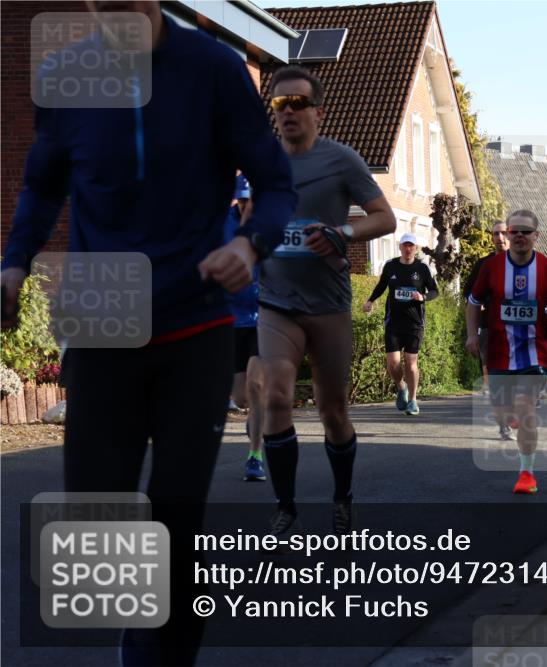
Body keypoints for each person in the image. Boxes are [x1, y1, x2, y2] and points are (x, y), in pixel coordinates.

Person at [1, 4, 296, 664]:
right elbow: (41, 186)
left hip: (195, 322)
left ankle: (154, 655)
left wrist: (250, 246)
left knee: (177, 512)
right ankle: (141, 627)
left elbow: (276, 186)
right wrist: (15, 260)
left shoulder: (215, 70)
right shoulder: (66, 77)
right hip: (106, 323)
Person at [257, 65, 396, 539]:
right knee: (275, 395)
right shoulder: (261, 161)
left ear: (319, 111)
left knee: (332, 411)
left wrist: (342, 233)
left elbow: (385, 219)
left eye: (298, 103)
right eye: (280, 103)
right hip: (276, 301)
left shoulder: (343, 160)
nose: (289, 111)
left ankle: (342, 498)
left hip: (329, 304)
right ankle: (286, 507)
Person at [465, 210, 547, 495]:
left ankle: (526, 473)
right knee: (503, 413)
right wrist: (472, 335)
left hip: (534, 351)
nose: (519, 236)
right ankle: (508, 415)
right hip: (499, 351)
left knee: (526, 410)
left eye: (526, 232)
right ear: (507, 234)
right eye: (514, 231)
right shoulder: (491, 268)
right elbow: (473, 302)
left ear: (536, 236)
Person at [363, 233, 439, 415]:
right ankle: (401, 387)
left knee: (411, 363)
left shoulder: (422, 268)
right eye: (405, 245)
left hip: (414, 322)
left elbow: (435, 291)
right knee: (393, 364)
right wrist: (370, 301)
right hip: (393, 322)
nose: (408, 249)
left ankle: (413, 401)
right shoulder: (391, 266)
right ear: (400, 247)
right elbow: (381, 286)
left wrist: (424, 297)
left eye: (411, 246)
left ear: (416, 248)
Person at [225, 175, 266, 481]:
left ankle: (255, 456)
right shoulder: (221, 225)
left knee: (257, 385)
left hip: (263, 318)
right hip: (229, 319)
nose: (246, 206)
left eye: (250, 200)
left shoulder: (269, 226)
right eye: (242, 200)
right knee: (241, 397)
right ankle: (254, 416)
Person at [464, 220, 513, 438]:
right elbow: (469, 294)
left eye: (504, 233)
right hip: (490, 327)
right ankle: (504, 422)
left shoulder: (527, 264)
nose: (500, 238)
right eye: (496, 234)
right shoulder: (483, 265)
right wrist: (472, 333)